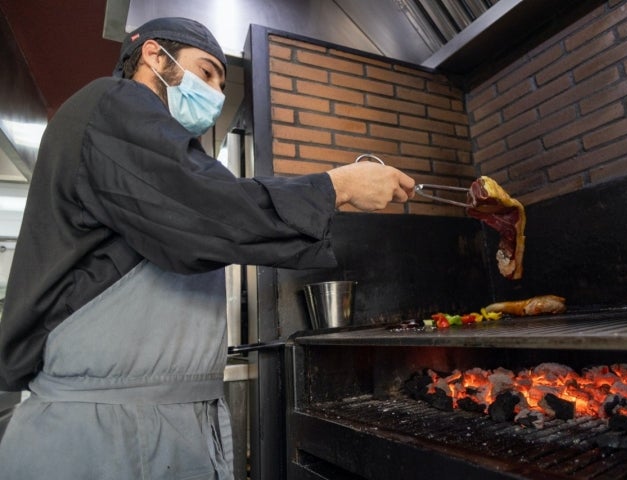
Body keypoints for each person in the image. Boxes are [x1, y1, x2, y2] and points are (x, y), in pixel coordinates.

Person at [0, 16, 414, 479]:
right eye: (206, 72)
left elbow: (209, 205)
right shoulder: (112, 103)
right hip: (106, 437)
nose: (215, 94)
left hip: (152, 423)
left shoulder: (140, 147)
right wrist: (335, 187)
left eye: (221, 80)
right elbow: (208, 213)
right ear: (155, 56)